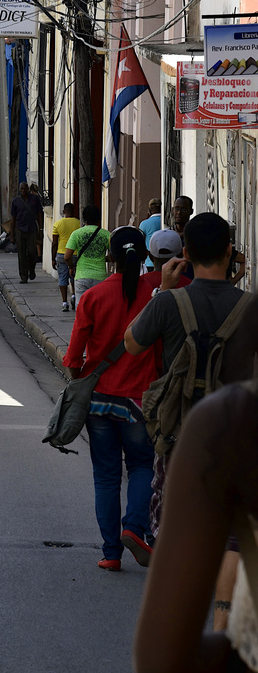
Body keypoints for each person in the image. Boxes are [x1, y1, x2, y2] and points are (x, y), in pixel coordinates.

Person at [124, 213, 250, 544]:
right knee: (232, 538)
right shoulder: (250, 307)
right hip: (235, 437)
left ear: (187, 254)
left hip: (179, 434)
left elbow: (132, 343)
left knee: (175, 532)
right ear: (229, 250)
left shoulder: (168, 301)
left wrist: (162, 290)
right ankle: (222, 600)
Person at [133, 374, 258, 673]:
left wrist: (247, 646)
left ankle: (222, 620)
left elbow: (161, 668)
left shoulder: (234, 418)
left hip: (190, 422)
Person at [63, 227, 158, 571]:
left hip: (100, 399)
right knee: (142, 466)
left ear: (110, 258)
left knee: (105, 476)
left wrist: (82, 384)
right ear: (144, 256)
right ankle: (134, 528)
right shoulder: (156, 296)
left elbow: (74, 359)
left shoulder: (94, 297)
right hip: (140, 399)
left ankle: (111, 553)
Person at [63, 204, 110, 305]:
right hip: (100, 277)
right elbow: (114, 256)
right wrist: (103, 258)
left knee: (81, 310)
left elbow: (67, 257)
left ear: (84, 218)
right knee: (99, 309)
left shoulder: (76, 234)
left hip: (81, 276)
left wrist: (71, 267)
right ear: (98, 218)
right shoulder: (106, 235)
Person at [8, 182, 41, 283]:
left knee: (32, 252)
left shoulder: (35, 199)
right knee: (21, 254)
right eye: (21, 189)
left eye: (25, 188)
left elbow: (39, 214)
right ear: (19, 190)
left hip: (32, 229)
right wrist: (12, 234)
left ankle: (31, 269)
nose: (23, 190)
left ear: (28, 189)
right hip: (20, 229)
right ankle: (23, 276)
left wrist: (41, 229)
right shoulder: (15, 201)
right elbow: (13, 219)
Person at [51, 202, 79, 312]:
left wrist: (53, 258)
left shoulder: (58, 224)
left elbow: (54, 243)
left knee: (62, 278)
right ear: (74, 211)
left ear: (63, 212)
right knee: (74, 276)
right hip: (75, 254)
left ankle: (64, 302)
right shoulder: (79, 223)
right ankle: (73, 295)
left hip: (61, 253)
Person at [139, 198, 163, 269]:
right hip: (166, 262)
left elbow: (140, 242)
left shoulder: (144, 224)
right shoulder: (166, 222)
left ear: (149, 210)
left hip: (150, 262)